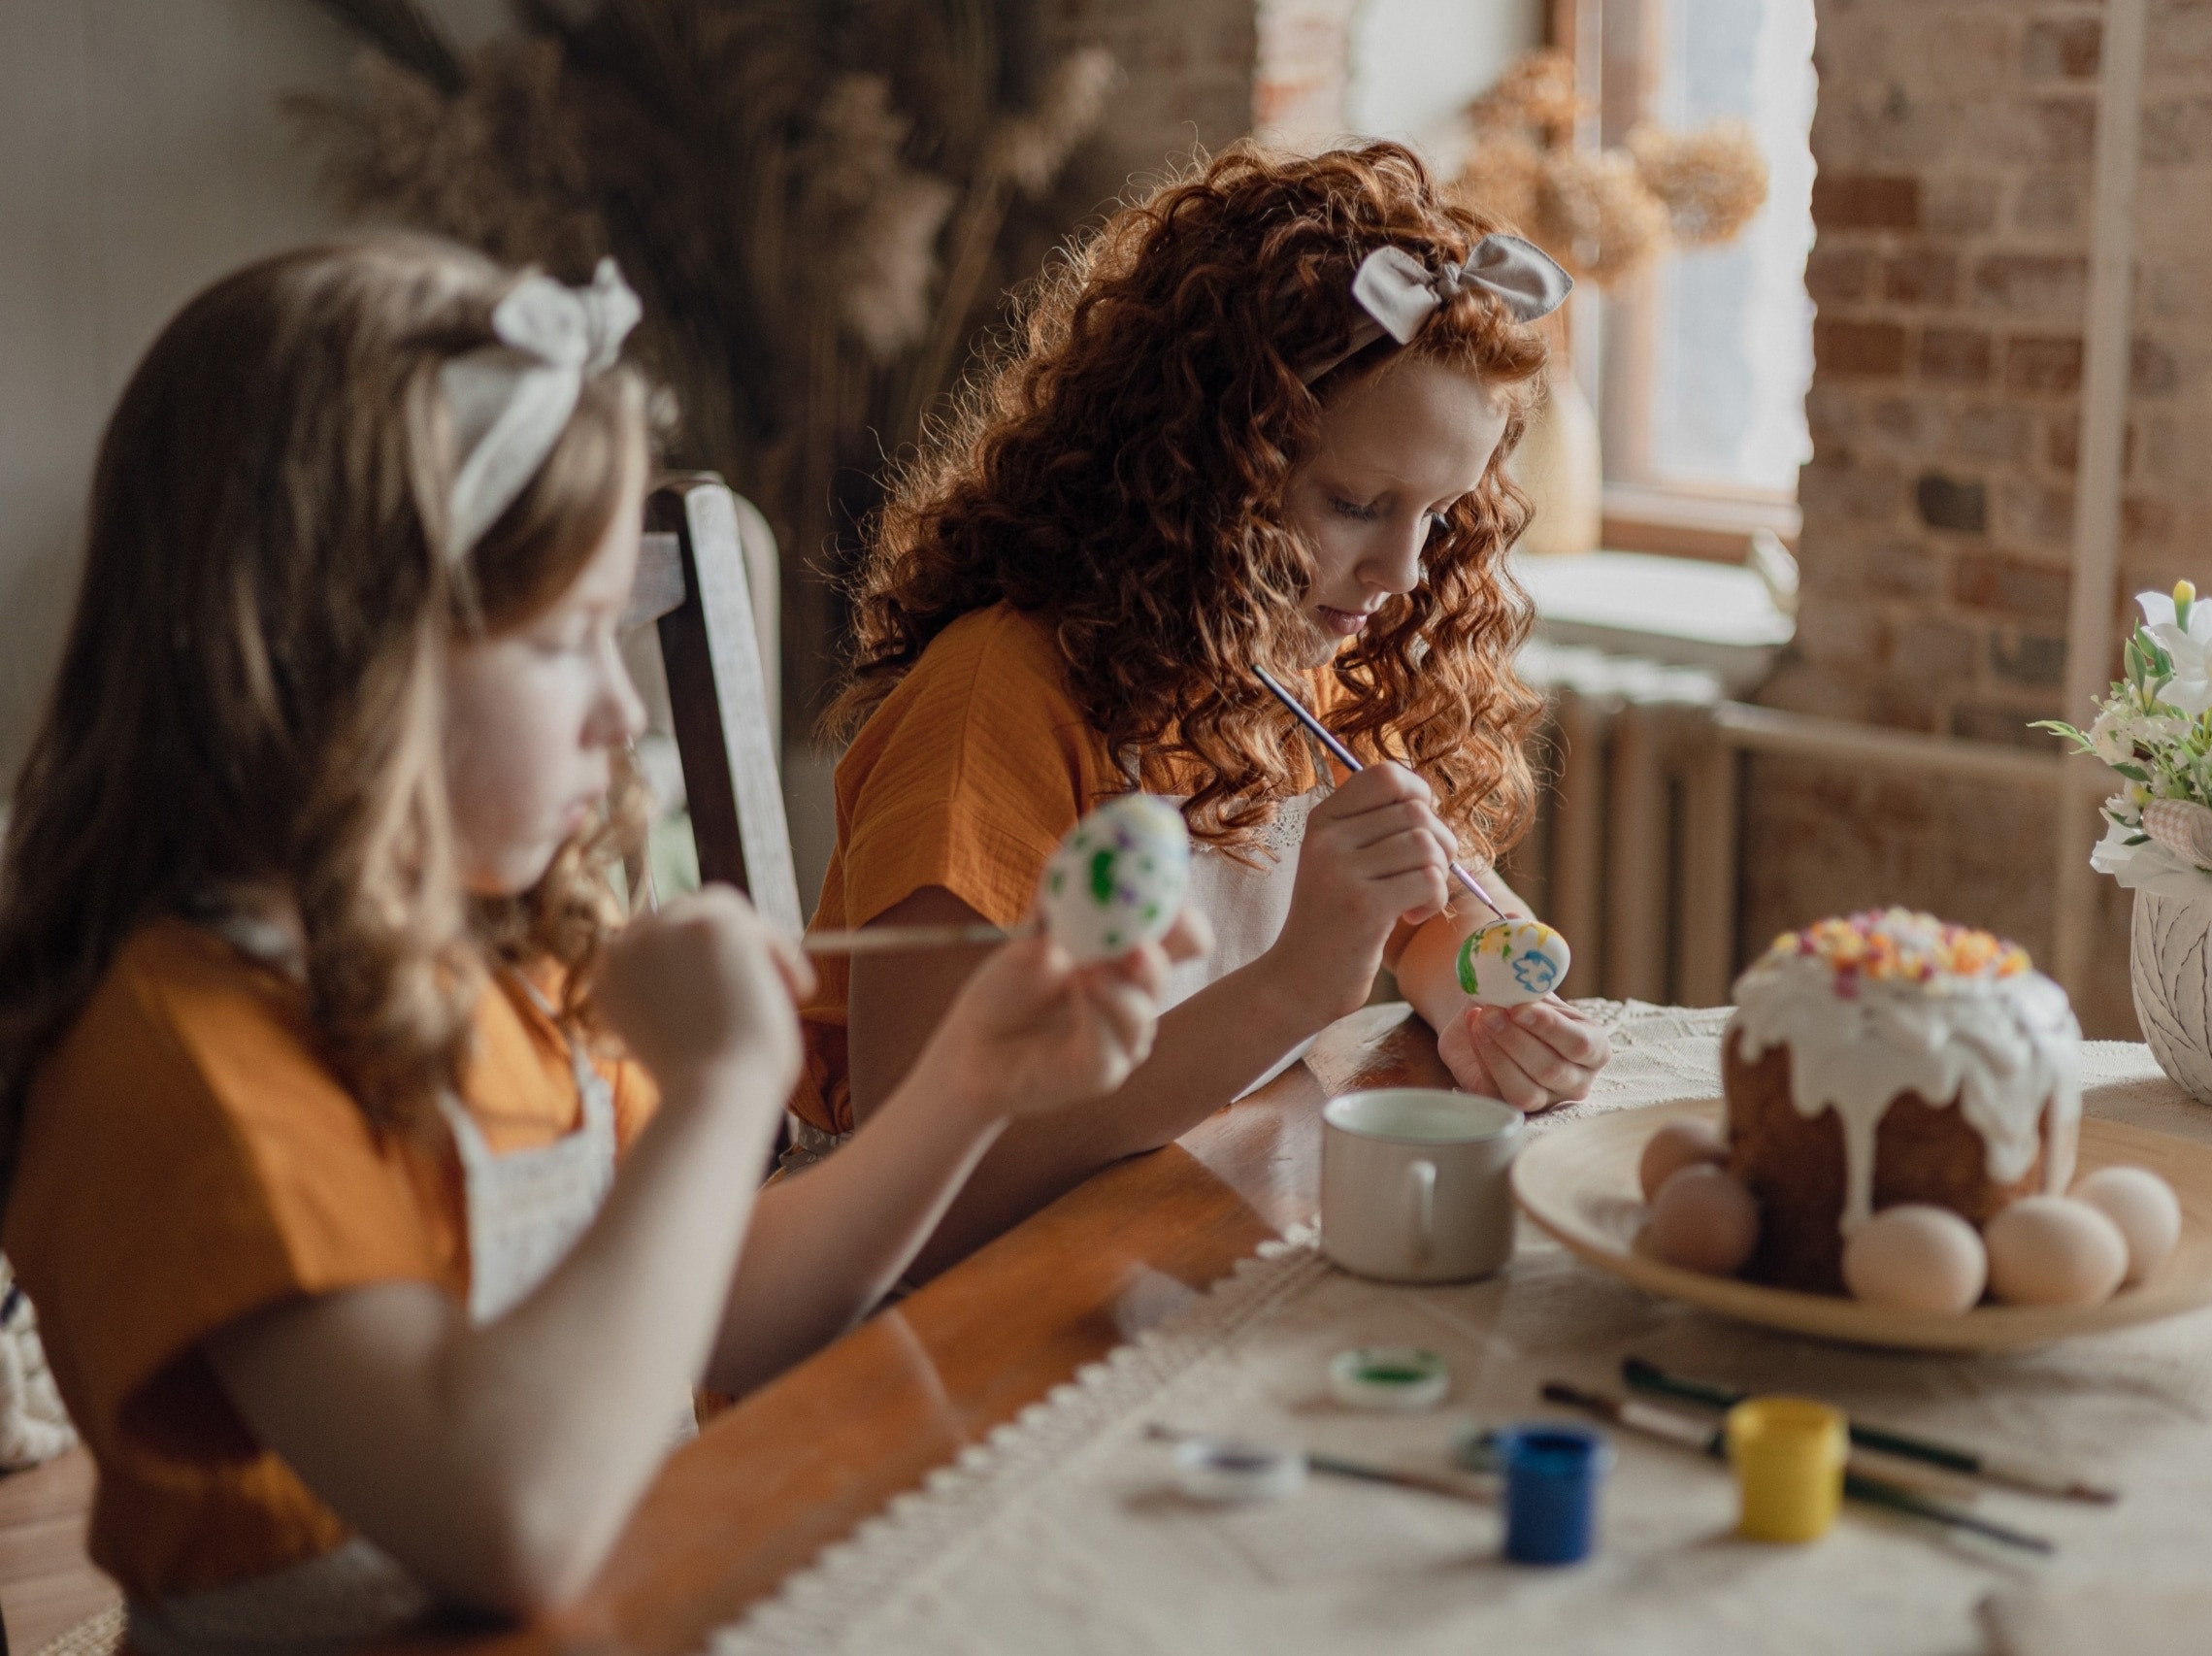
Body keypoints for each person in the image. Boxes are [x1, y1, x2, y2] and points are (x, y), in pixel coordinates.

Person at [0, 238, 1193, 1647]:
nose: (623, 717)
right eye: (567, 642)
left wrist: (970, 1083)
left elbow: (729, 1309)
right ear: (345, 655)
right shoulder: (182, 1049)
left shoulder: (506, 960)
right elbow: (511, 1516)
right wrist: (716, 1098)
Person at [802, 141, 1613, 1276]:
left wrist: (1481, 1003)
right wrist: (1295, 986)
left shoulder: (1301, 653)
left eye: (1439, 514)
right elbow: (918, 1173)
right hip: (941, 1320)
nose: (1400, 572)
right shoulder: (996, 704)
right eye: (1353, 502)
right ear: (1196, 467)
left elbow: (1434, 914)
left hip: (1160, 1237)